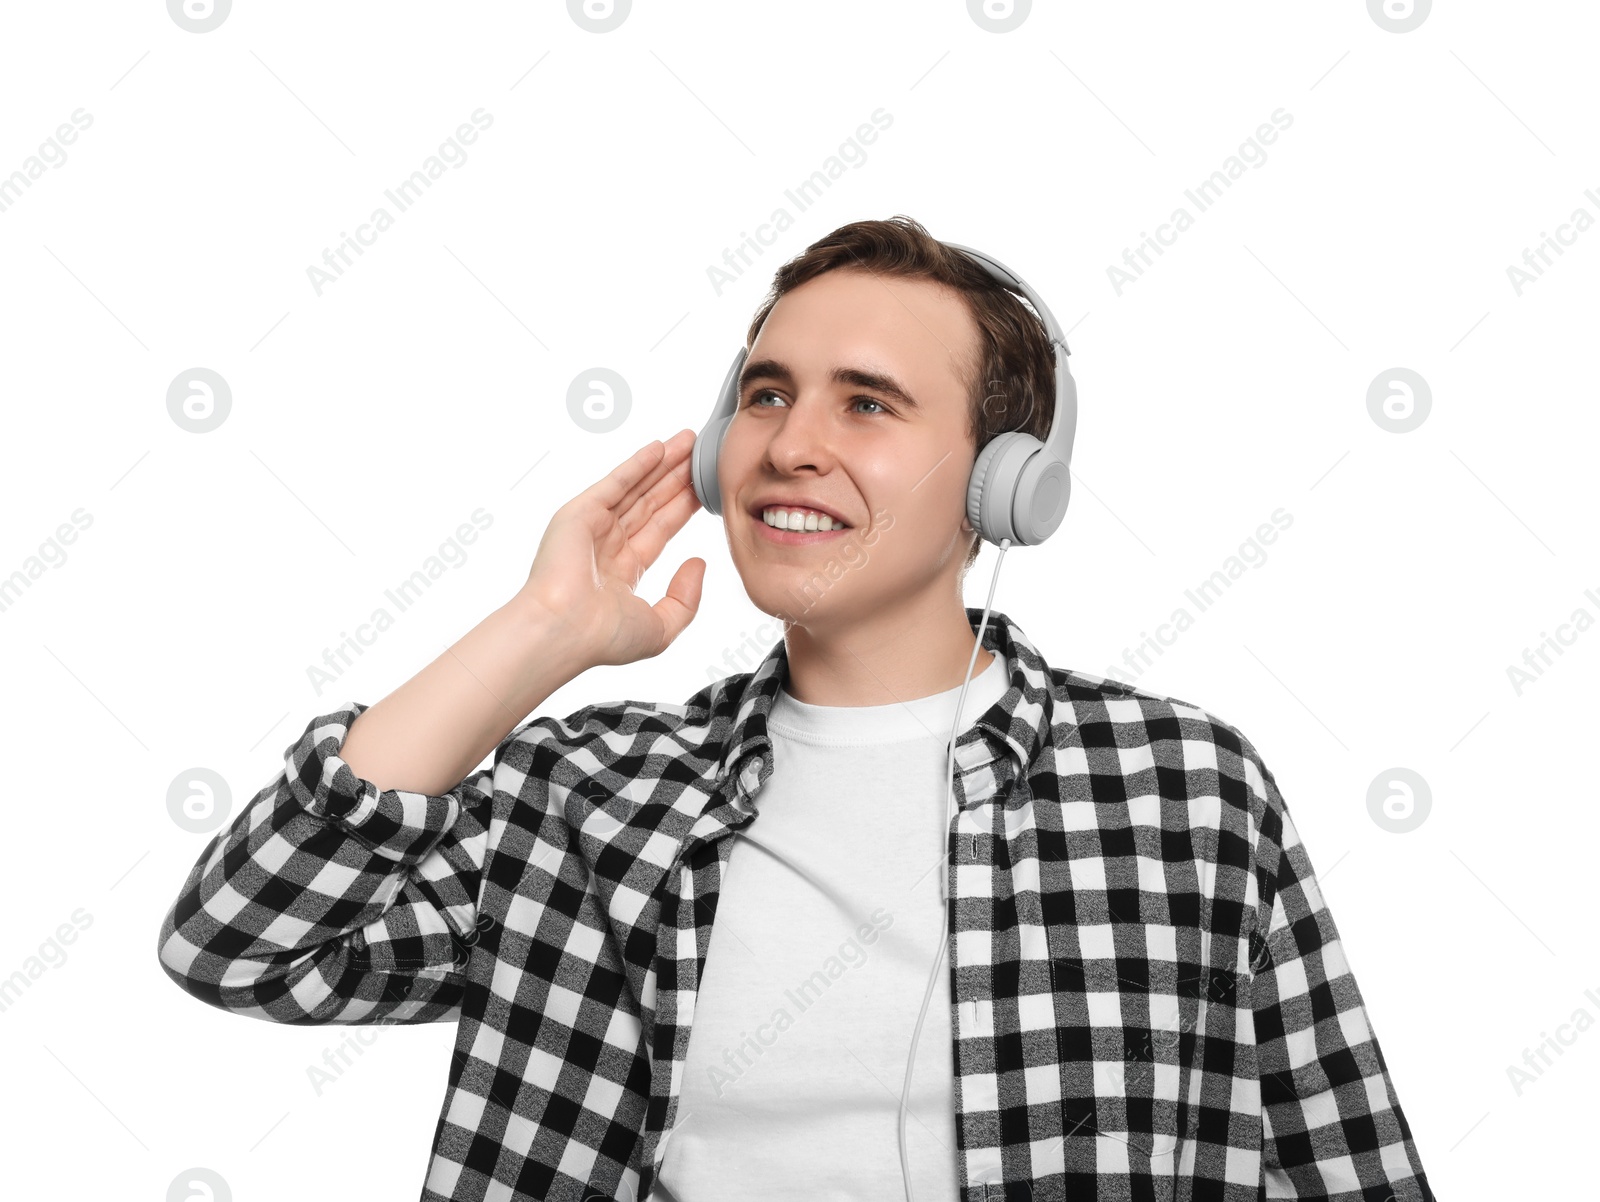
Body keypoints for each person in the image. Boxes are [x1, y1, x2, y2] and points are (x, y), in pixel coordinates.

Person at [157, 216, 1434, 1202]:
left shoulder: (1182, 787)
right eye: (766, 394)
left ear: (1006, 487)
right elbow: (240, 944)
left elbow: (1346, 1162)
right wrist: (539, 634)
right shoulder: (592, 796)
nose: (787, 442)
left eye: (866, 403)